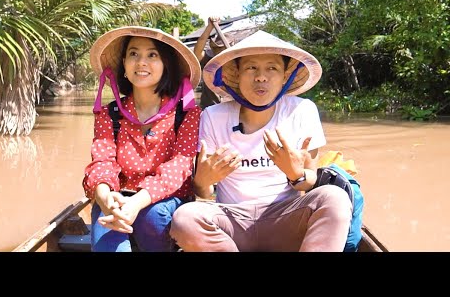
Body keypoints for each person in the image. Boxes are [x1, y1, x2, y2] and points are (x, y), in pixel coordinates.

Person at [170, 30, 353, 252]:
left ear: (285, 76)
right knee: (185, 218)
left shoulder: (302, 110)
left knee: (335, 198)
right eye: (251, 68)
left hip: (285, 217)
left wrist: (296, 174)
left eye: (272, 68)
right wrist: (203, 180)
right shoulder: (213, 115)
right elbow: (203, 193)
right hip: (232, 221)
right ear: (236, 75)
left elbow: (311, 182)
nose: (261, 77)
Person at [83, 26, 202, 252]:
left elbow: (179, 167)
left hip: (164, 201)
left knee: (153, 216)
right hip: (117, 197)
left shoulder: (186, 114)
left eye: (152, 55)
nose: (141, 62)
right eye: (134, 54)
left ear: (165, 64)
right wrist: (105, 198)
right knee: (107, 240)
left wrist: (137, 203)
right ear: (124, 65)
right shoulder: (110, 114)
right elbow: (102, 160)